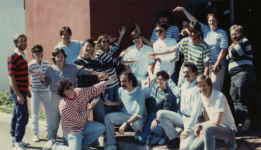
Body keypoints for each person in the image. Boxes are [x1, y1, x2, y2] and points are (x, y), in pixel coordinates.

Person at [36, 48, 106, 150]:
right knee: (54, 121)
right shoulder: (50, 69)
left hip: (71, 95)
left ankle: (68, 140)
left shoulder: (72, 67)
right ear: (54, 58)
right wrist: (41, 76)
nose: (60, 58)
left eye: (61, 56)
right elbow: (46, 83)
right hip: (56, 95)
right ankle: (51, 141)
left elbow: (85, 70)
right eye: (58, 56)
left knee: (72, 118)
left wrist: (98, 74)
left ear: (64, 57)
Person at [73, 39, 135, 123]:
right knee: (81, 114)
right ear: (82, 47)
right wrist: (96, 77)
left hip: (94, 91)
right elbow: (79, 78)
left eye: (91, 46)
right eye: (87, 46)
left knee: (101, 113)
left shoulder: (94, 61)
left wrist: (120, 56)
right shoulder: (76, 62)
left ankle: (103, 131)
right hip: (81, 92)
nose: (89, 48)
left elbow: (109, 65)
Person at [50, 75, 116, 150]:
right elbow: (80, 118)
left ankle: (83, 144)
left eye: (70, 84)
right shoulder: (64, 106)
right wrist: (90, 108)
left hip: (84, 125)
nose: (71, 87)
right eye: (68, 87)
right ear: (63, 92)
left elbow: (93, 89)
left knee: (101, 128)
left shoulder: (79, 91)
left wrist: (108, 81)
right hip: (72, 130)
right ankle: (54, 146)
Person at [173, 6, 229, 91]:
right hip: (206, 65)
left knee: (214, 89)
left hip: (217, 66)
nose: (211, 22)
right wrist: (183, 10)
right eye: (210, 21)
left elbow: (223, 50)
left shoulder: (222, 33)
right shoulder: (206, 30)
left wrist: (217, 64)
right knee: (204, 89)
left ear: (217, 21)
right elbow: (194, 21)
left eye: (213, 20)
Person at [156, 62, 203, 150]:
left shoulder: (198, 87)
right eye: (184, 72)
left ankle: (189, 136)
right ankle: (174, 138)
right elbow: (178, 93)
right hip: (182, 118)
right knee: (161, 114)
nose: (185, 75)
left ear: (194, 73)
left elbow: (195, 113)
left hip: (194, 121)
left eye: (188, 72)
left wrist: (187, 130)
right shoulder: (185, 84)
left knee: (184, 148)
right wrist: (169, 80)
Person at [148, 21, 210, 86]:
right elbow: (171, 49)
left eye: (195, 31)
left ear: (199, 32)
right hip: (184, 73)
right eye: (191, 31)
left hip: (196, 76)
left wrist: (204, 82)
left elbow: (206, 67)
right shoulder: (185, 41)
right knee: (179, 92)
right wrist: (155, 53)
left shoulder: (204, 46)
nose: (193, 33)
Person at [190, 75, 237, 150]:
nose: (201, 89)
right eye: (199, 86)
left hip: (228, 130)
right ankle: (226, 143)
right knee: (193, 148)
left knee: (207, 129)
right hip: (214, 130)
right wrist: (202, 128)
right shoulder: (202, 97)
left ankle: (230, 140)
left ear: (210, 85)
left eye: (204, 85)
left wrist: (200, 125)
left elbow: (217, 121)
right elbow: (208, 120)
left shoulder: (219, 96)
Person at [103, 72, 147, 150]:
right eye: (121, 81)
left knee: (136, 125)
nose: (122, 83)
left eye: (124, 81)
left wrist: (125, 123)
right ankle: (111, 144)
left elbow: (139, 114)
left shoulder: (140, 92)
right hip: (126, 114)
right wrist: (111, 103)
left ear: (131, 81)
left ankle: (138, 131)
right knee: (108, 118)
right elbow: (122, 102)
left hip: (138, 117)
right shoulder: (121, 90)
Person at [226, 25, 256, 132]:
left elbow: (233, 53)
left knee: (242, 99)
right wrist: (230, 50)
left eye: (236, 33)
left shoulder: (244, 41)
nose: (234, 36)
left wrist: (230, 49)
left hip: (242, 74)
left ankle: (245, 121)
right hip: (236, 76)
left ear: (242, 33)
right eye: (232, 34)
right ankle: (243, 121)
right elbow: (227, 56)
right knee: (234, 98)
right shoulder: (236, 44)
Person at [93, 26, 126, 113]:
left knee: (119, 102)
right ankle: (106, 123)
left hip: (115, 81)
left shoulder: (108, 50)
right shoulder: (99, 53)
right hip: (107, 83)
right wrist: (121, 57)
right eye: (103, 41)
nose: (105, 43)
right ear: (99, 42)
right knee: (108, 104)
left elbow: (115, 46)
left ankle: (120, 120)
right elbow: (113, 62)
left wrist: (121, 35)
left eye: (107, 41)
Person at [137, 70, 173, 145]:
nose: (159, 81)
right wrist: (148, 75)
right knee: (141, 140)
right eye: (158, 79)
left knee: (156, 128)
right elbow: (151, 76)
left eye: (162, 80)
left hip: (161, 118)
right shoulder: (154, 84)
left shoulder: (167, 96)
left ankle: (162, 135)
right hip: (151, 115)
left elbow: (165, 113)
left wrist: (156, 120)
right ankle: (151, 133)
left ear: (166, 81)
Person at [8, 33, 31, 150]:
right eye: (21, 41)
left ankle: (14, 138)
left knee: (16, 115)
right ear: (16, 43)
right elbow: (11, 77)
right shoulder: (13, 56)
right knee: (23, 117)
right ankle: (18, 142)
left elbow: (22, 75)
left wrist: (27, 90)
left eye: (25, 41)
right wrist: (18, 94)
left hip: (22, 90)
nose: (23, 43)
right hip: (17, 91)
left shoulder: (22, 56)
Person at [28, 44, 50, 142]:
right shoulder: (30, 64)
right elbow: (25, 76)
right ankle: (35, 133)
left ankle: (48, 131)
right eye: (35, 51)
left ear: (42, 52)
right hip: (35, 91)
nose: (37, 53)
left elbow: (48, 78)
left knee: (48, 112)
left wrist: (41, 76)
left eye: (39, 51)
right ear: (33, 53)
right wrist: (29, 85)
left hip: (45, 91)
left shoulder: (46, 63)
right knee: (35, 113)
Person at [123, 30, 155, 98]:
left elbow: (151, 65)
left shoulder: (149, 49)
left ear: (142, 37)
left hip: (144, 77)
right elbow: (125, 65)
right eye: (134, 38)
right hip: (132, 76)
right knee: (132, 93)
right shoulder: (129, 50)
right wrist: (132, 77)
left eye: (138, 37)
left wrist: (148, 78)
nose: (136, 39)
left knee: (147, 92)